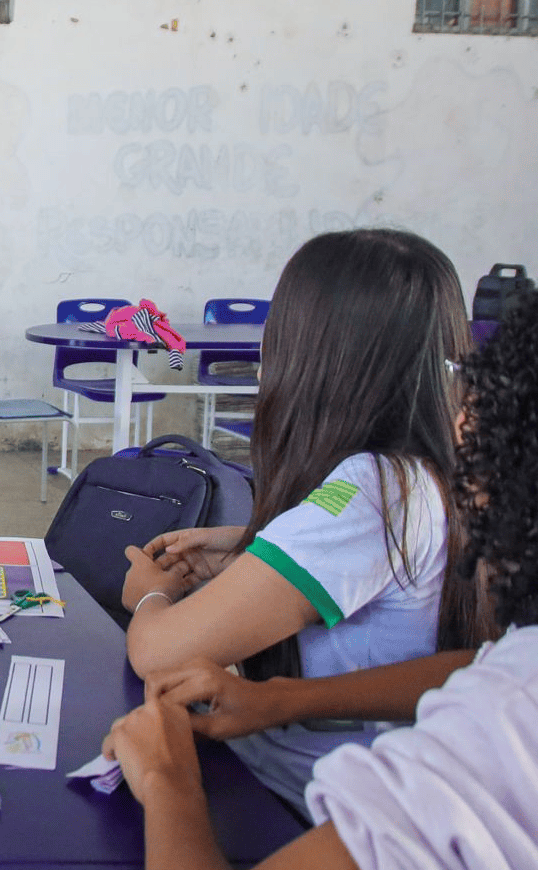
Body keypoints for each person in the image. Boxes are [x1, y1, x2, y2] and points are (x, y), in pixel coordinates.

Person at [102, 290, 538, 870]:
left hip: (287, 807)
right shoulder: (425, 478)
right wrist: (283, 695)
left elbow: (160, 653)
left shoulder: (377, 485)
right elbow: (486, 663)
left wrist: (166, 774)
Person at [119, 228, 487, 814]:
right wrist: (249, 549)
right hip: (351, 788)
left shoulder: (376, 491)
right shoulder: (436, 470)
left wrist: (150, 596)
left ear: (314, 355)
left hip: (306, 804)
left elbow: (161, 654)